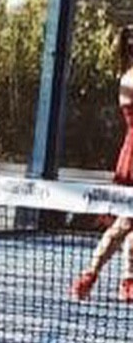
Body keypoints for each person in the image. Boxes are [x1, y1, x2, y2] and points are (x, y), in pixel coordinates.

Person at [72, 23, 133, 303]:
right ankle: (90, 275)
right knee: (126, 222)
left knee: (130, 222)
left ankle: (127, 279)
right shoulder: (129, 79)